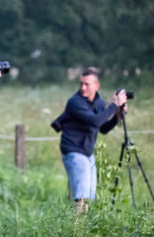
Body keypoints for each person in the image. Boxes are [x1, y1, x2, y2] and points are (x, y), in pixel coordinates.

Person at [54, 67, 127, 213]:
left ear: (96, 85)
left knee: (90, 195)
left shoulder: (98, 103)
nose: (82, 87)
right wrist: (114, 105)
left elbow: (102, 128)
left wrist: (118, 115)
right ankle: (79, 231)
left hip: (87, 152)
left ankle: (81, 226)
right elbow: (94, 121)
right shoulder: (75, 102)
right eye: (81, 83)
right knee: (82, 196)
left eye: (87, 84)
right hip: (74, 150)